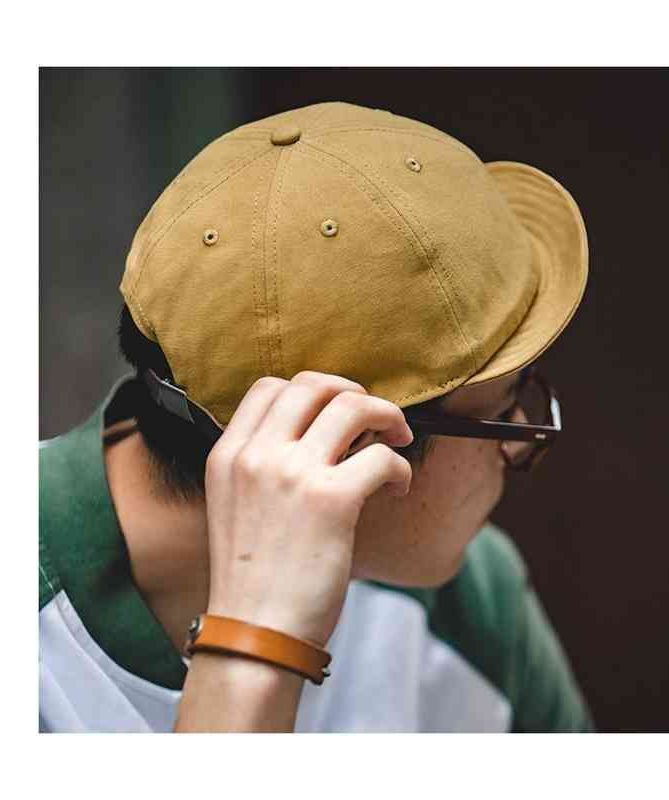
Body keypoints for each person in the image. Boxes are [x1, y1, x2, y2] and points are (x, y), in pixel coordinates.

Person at [39, 100, 594, 732]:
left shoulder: (467, 601)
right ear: (355, 447)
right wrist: (257, 650)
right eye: (504, 414)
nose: (517, 449)